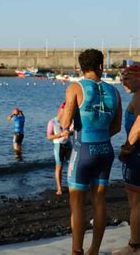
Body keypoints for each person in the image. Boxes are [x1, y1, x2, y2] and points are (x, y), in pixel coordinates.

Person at [61, 49, 122, 255]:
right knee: (99, 200)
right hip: (105, 149)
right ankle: (94, 250)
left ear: (81, 67)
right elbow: (116, 127)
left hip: (84, 149)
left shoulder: (75, 88)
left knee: (77, 203)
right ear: (101, 66)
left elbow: (65, 123)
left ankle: (76, 251)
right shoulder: (115, 91)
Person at [116, 65, 140, 253]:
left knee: (136, 203)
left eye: (127, 78)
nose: (123, 82)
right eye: (122, 78)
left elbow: (139, 126)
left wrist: (126, 148)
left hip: (137, 155)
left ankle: (134, 246)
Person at [47, 101, 72, 195]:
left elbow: (72, 132)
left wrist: (70, 133)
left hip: (68, 145)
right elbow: (49, 137)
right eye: (65, 111)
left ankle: (72, 186)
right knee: (59, 167)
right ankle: (59, 188)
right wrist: (61, 134)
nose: (66, 113)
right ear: (60, 111)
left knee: (72, 167)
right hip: (59, 146)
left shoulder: (68, 121)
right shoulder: (52, 122)